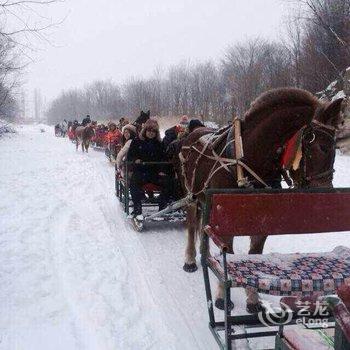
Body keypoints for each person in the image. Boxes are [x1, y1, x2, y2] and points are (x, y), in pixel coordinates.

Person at [127, 119, 171, 217]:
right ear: (145, 130)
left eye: (154, 131)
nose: (151, 133)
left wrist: (162, 170)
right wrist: (135, 160)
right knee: (134, 183)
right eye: (149, 131)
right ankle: (137, 207)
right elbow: (130, 156)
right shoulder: (137, 141)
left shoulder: (159, 144)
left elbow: (164, 158)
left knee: (168, 182)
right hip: (140, 171)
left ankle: (162, 206)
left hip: (154, 172)